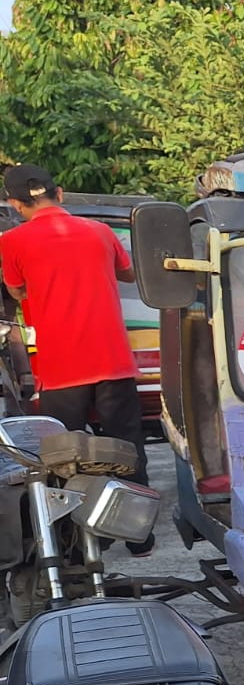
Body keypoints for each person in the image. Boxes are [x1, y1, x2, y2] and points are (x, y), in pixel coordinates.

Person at [0, 164, 155, 555]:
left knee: (67, 455)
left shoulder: (12, 242)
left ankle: (86, 542)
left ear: (15, 205)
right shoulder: (100, 232)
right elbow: (128, 273)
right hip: (112, 359)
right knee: (127, 444)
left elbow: (16, 291)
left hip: (61, 365)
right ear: (61, 193)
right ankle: (140, 537)